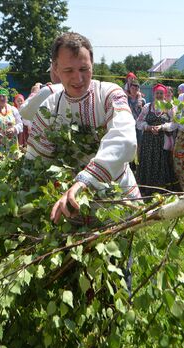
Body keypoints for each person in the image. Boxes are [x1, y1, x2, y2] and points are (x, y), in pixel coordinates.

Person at [26, 32, 140, 224]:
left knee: (120, 251)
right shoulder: (49, 108)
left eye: (84, 69)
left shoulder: (110, 94)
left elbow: (125, 139)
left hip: (117, 201)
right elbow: (35, 161)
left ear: (92, 65)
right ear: (55, 69)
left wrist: (85, 181)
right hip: (72, 210)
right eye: (69, 70)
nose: (78, 78)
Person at [136, 83, 179, 197]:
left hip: (162, 140)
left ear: (165, 95)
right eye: (157, 93)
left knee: (161, 163)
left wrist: (162, 127)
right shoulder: (148, 107)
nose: (159, 95)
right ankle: (147, 190)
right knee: (148, 161)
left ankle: (161, 190)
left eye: (161, 93)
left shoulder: (169, 107)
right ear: (154, 94)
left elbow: (175, 123)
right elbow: (138, 122)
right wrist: (148, 127)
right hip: (148, 141)